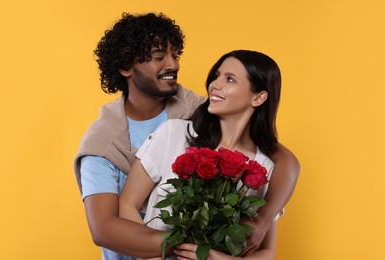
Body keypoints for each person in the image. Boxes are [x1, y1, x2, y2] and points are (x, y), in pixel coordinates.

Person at [74, 12, 299, 259]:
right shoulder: (104, 143)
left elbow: (279, 158)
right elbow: (105, 229)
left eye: (175, 55)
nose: (173, 65)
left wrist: (263, 220)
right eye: (159, 57)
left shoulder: (203, 111)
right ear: (126, 67)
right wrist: (194, 247)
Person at [119, 49, 293, 259]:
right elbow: (127, 205)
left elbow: (266, 252)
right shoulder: (173, 133)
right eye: (217, 76)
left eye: (230, 79)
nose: (215, 85)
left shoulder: (265, 169)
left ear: (258, 97)